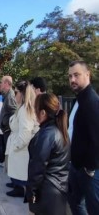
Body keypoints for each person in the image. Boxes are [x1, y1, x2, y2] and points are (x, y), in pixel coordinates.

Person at [26, 93, 70, 215]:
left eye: (36, 110)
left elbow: (38, 166)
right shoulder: (59, 130)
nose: (34, 114)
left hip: (47, 191)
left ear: (43, 113)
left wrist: (31, 192)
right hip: (59, 187)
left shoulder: (47, 134)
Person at [67, 61, 99, 215]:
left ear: (87, 75)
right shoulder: (79, 100)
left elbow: (96, 138)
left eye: (76, 75)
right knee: (74, 202)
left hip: (88, 171)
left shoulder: (92, 102)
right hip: (76, 166)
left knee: (94, 208)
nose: (72, 79)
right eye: (70, 76)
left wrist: (90, 169)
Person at [5, 80, 38, 197]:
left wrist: (16, 145)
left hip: (21, 149)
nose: (14, 95)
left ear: (22, 94)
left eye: (16, 92)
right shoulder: (22, 108)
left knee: (22, 175)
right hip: (19, 146)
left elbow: (25, 133)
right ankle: (19, 188)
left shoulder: (25, 110)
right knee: (18, 174)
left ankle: (24, 191)